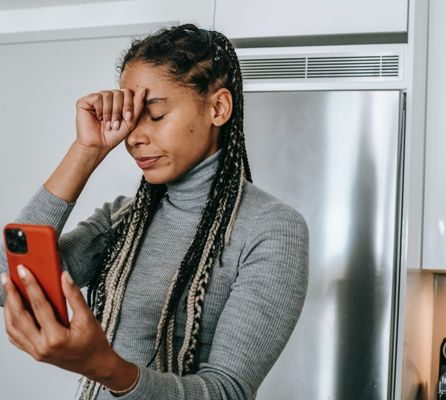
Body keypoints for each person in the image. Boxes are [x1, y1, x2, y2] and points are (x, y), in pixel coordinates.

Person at [0, 24, 309, 400]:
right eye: (131, 118)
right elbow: (7, 276)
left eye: (156, 115)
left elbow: (227, 392)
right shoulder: (122, 220)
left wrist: (106, 369)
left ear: (218, 107)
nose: (133, 137)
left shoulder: (271, 229)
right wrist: (86, 150)